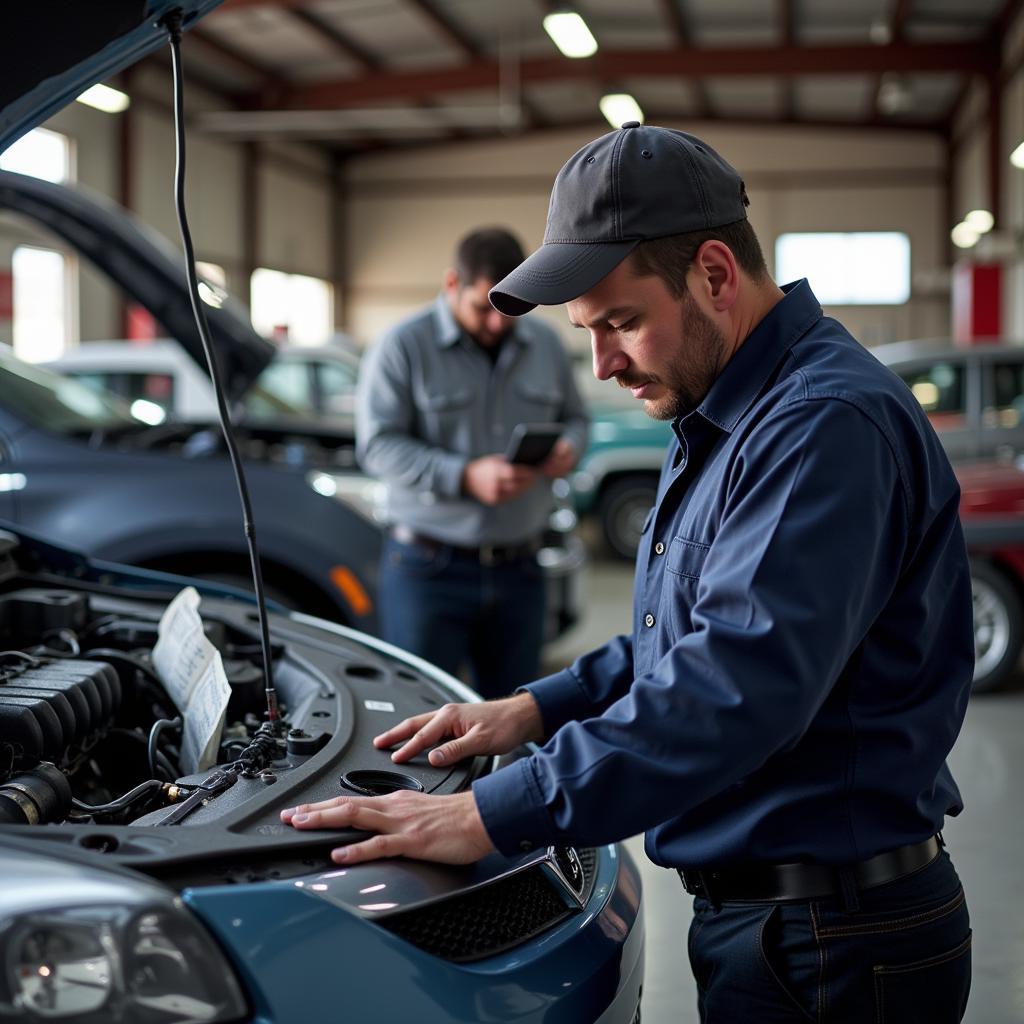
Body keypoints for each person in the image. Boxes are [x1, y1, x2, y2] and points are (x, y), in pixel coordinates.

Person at [288, 125, 974, 1021]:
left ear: (716, 276)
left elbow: (732, 685)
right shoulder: (726, 416)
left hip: (835, 946)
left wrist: (490, 814)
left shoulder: (821, 428)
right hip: (781, 921)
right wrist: (532, 708)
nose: (605, 364)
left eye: (622, 323)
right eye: (590, 333)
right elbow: (686, 631)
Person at [356, 227, 588, 698]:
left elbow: (577, 418)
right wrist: (462, 476)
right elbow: (377, 445)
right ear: (450, 285)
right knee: (417, 714)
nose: (499, 323)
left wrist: (570, 445)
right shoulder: (402, 347)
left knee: (515, 716)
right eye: (485, 307)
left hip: (522, 568)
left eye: (513, 308)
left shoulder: (545, 345)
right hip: (428, 569)